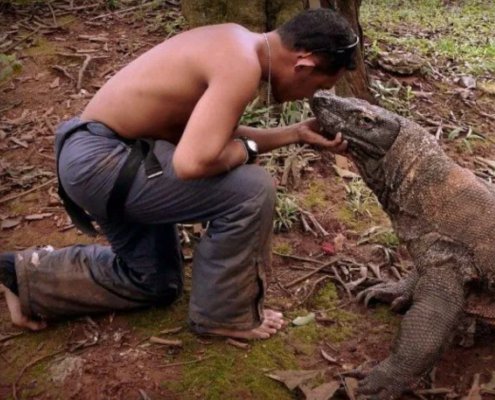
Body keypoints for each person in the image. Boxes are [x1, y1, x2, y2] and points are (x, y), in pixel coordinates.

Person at [0, 8, 358, 340]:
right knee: (252, 188)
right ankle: (225, 315)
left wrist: (294, 134)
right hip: (105, 165)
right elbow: (192, 163)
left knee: (154, 283)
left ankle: (26, 276)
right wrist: (246, 153)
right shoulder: (241, 65)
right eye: (319, 87)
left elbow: (209, 139)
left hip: (106, 158)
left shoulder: (235, 41)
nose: (310, 96)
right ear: (304, 64)